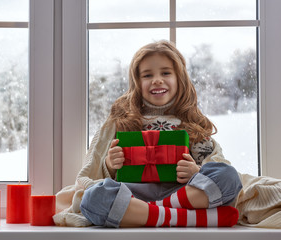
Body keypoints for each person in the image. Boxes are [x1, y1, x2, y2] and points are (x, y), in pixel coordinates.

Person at [53, 40, 242, 228]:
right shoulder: (121, 121)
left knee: (230, 177)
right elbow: (91, 171)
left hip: (183, 194)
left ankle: (155, 210)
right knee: (93, 198)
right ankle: (184, 218)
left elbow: (216, 170)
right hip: (132, 197)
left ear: (179, 78)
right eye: (147, 75)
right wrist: (110, 165)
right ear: (137, 82)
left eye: (166, 73)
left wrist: (195, 172)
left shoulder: (191, 123)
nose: (157, 80)